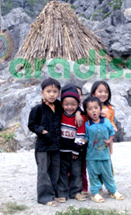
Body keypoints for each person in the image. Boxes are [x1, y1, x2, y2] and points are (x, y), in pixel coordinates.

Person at [28, 78, 62, 207]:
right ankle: (45, 197)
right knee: (43, 171)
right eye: (48, 91)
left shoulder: (59, 106)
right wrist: (42, 131)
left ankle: (53, 194)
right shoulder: (37, 108)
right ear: (42, 93)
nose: (52, 94)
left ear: (58, 93)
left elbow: (71, 111)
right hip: (43, 146)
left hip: (56, 144)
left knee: (55, 170)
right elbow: (31, 125)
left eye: (55, 91)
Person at [83, 96, 124, 203]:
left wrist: (110, 140)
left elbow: (112, 132)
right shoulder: (87, 125)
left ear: (100, 109)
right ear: (86, 111)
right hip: (91, 157)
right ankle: (95, 193)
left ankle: (113, 191)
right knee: (93, 175)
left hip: (105, 155)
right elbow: (86, 137)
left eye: (96, 108)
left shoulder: (106, 122)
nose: (93, 111)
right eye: (90, 109)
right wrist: (82, 141)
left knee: (108, 174)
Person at [57, 84, 87, 203]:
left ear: (78, 104)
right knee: (62, 173)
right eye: (66, 104)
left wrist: (76, 150)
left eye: (73, 104)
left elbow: (80, 135)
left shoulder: (79, 118)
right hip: (61, 151)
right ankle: (62, 193)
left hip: (75, 152)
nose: (70, 107)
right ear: (62, 104)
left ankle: (76, 192)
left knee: (76, 172)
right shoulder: (59, 115)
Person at [90, 81, 117, 154]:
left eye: (106, 92)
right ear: (93, 94)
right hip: (94, 134)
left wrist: (113, 127)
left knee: (107, 153)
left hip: (107, 136)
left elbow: (111, 120)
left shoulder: (110, 108)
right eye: (100, 91)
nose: (103, 94)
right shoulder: (90, 107)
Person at [76, 85, 88, 196]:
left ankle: (84, 188)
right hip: (67, 144)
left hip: (82, 143)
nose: (77, 96)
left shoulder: (84, 111)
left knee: (82, 167)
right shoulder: (65, 110)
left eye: (79, 94)